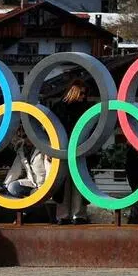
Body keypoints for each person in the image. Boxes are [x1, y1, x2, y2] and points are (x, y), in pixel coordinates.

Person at [52, 79, 90, 224]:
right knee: (63, 183)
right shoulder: (60, 108)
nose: (83, 97)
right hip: (65, 150)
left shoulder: (83, 108)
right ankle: (67, 215)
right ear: (74, 92)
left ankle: (76, 215)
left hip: (78, 150)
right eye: (81, 93)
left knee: (77, 182)